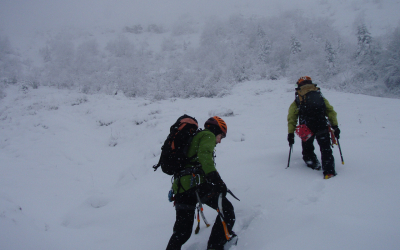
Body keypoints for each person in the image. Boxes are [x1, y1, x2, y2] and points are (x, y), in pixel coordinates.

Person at [166, 116, 236, 250]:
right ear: (217, 130)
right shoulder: (208, 135)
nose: (220, 141)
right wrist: (217, 180)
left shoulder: (195, 137)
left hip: (181, 188)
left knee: (182, 232)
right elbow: (205, 155)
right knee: (226, 210)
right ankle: (214, 247)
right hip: (195, 185)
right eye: (222, 136)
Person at [287, 76, 341, 179]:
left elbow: (292, 117)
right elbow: (330, 111)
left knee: (307, 148)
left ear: (299, 85)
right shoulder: (319, 95)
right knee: (326, 148)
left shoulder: (299, 97)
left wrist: (290, 133)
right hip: (321, 124)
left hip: (306, 127)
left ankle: (312, 162)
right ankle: (329, 171)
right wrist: (335, 126)